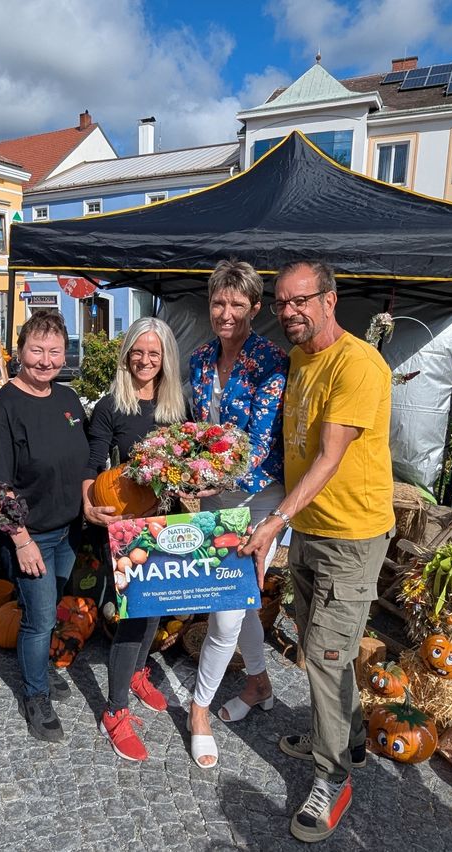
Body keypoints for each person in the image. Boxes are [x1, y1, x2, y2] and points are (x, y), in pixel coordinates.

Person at [240, 260, 395, 843]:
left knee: (328, 658)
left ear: (331, 299)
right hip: (311, 529)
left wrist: (275, 520)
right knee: (317, 646)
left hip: (351, 538)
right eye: (281, 302)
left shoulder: (357, 364)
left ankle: (333, 777)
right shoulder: (302, 359)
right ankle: (346, 735)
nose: (289, 312)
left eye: (299, 300)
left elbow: (328, 457)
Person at [187, 259, 288, 769]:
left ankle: (198, 708)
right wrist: (183, 465)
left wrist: (209, 477)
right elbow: (199, 426)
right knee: (243, 601)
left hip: (257, 497)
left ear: (254, 307)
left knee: (225, 613)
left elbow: (260, 439)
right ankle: (259, 683)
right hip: (213, 494)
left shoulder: (272, 362)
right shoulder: (201, 359)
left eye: (236, 303)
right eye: (218, 302)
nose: (226, 312)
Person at [0, 310, 89, 742]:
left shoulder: (66, 400)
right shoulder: (2, 409)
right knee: (39, 619)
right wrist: (21, 541)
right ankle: (35, 695)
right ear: (19, 350)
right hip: (32, 536)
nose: (45, 360)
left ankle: (40, 667)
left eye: (55, 351)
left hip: (67, 530)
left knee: (50, 607)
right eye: (36, 350)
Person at [82, 317, 186, 761]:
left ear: (165, 360)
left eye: (154, 353)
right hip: (127, 525)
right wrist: (88, 505)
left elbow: (190, 459)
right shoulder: (110, 407)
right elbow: (90, 465)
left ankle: (140, 672)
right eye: (138, 352)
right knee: (132, 615)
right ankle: (115, 709)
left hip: (169, 519)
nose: (145, 360)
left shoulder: (178, 407)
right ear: (126, 355)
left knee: (157, 607)